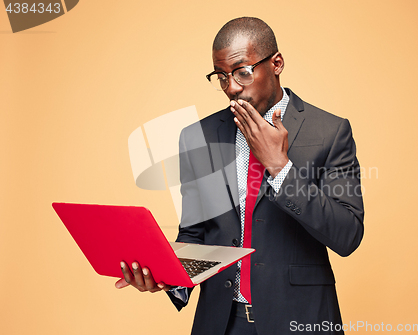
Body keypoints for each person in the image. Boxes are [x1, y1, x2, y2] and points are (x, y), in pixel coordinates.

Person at [115, 17, 364, 335]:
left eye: (242, 72)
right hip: (221, 324)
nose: (231, 87)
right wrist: (167, 275)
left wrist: (280, 168)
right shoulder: (199, 136)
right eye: (221, 77)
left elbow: (347, 235)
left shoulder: (330, 132)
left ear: (276, 63)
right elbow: (195, 235)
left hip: (299, 321)